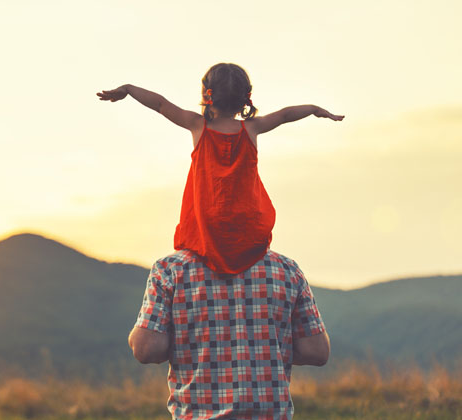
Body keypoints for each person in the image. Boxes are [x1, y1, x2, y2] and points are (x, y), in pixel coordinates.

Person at [97, 63, 344, 275]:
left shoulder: (197, 125)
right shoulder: (251, 129)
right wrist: (314, 109)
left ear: (207, 95)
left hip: (206, 228)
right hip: (246, 226)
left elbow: (160, 104)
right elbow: (286, 114)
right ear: (246, 97)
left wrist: (128, 89)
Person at [129, 249, 329, 419]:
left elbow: (146, 349)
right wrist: (269, 349)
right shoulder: (287, 270)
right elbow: (316, 351)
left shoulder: (170, 270)